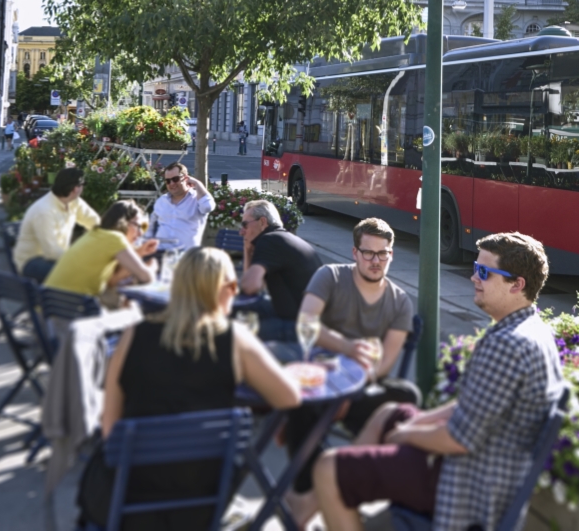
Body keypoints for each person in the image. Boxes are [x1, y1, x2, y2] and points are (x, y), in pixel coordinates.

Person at [313, 231, 564, 531]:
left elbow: (458, 439)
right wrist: (408, 426)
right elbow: (472, 405)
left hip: (468, 486)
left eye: (484, 272)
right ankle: (341, 494)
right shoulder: (531, 329)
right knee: (387, 414)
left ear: (517, 285)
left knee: (327, 468)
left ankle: (336, 492)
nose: (474, 278)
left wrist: (405, 436)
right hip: (485, 465)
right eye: (474, 268)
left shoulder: (507, 345)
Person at [79, 247, 301, 530]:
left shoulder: (134, 335)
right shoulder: (234, 340)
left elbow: (110, 427)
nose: (236, 292)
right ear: (218, 289)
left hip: (123, 498)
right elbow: (289, 397)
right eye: (232, 285)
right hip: (201, 502)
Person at [283, 218, 418, 522]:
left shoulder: (399, 302)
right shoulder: (329, 276)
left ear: (391, 254)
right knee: (300, 403)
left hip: (361, 387)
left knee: (405, 394)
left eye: (382, 253)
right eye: (368, 253)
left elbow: (385, 365)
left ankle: (310, 500)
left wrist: (350, 388)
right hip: (318, 375)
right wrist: (346, 347)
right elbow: (306, 324)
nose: (375, 261)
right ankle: (308, 490)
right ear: (354, 252)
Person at [239, 199, 321, 340]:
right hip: (313, 321)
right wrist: (247, 250)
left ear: (262, 222)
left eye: (245, 224)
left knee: (233, 328)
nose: (241, 232)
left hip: (297, 327)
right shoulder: (284, 238)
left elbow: (249, 287)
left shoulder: (269, 240)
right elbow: (253, 290)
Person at [46, 200, 157, 300]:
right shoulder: (114, 238)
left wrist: (139, 252)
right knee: (137, 311)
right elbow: (146, 277)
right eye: (138, 225)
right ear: (124, 222)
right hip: (72, 311)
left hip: (51, 310)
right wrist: (153, 267)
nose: (140, 232)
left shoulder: (96, 234)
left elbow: (111, 281)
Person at [12, 167, 99, 283]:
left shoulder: (73, 202)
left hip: (55, 257)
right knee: (81, 274)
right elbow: (51, 251)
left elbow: (95, 222)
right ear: (75, 188)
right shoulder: (44, 211)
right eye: (82, 184)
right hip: (32, 262)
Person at [147, 162, 214, 251]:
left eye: (175, 179)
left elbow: (208, 207)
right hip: (161, 255)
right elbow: (150, 226)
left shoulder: (197, 199)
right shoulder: (162, 201)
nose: (171, 183)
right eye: (168, 181)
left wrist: (197, 184)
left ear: (186, 178)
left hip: (186, 257)